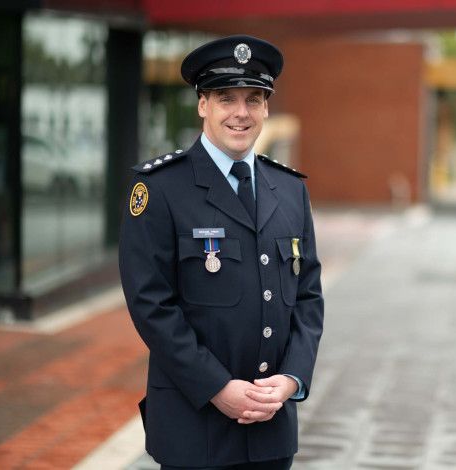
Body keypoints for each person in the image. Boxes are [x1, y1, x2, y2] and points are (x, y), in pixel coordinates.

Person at [119, 35, 324, 470]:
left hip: (272, 427)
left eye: (254, 99)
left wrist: (291, 379)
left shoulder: (289, 191)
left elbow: (308, 296)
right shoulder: (160, 189)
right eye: (226, 98)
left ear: (267, 108)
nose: (241, 113)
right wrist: (217, 387)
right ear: (203, 105)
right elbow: (151, 305)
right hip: (195, 425)